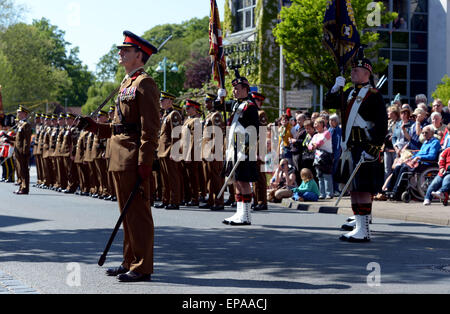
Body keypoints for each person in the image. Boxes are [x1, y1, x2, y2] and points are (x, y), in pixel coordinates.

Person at [79, 30, 160, 282]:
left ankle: (142, 266)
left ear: (139, 55)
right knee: (127, 213)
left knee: (138, 213)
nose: (120, 52)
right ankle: (129, 261)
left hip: (133, 156)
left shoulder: (145, 83)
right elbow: (119, 127)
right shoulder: (126, 83)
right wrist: (94, 127)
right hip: (118, 155)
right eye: (121, 49)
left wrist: (145, 161)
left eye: (125, 49)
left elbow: (150, 128)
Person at [325, 53, 388, 243]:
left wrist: (373, 149)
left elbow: (381, 124)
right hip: (350, 147)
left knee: (363, 189)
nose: (353, 72)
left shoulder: (374, 96)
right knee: (354, 188)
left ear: (367, 73)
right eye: (352, 69)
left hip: (364, 147)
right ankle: (359, 227)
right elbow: (328, 104)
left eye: (356, 70)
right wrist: (335, 88)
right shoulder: (349, 93)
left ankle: (364, 230)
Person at [222, 76, 260, 226]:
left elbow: (254, 130)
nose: (234, 91)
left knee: (243, 182)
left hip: (244, 149)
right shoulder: (236, 104)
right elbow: (219, 106)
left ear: (245, 89)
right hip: (234, 148)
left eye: (237, 88)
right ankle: (239, 212)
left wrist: (246, 148)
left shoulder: (250, 107)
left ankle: (246, 215)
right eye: (233, 88)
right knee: (236, 181)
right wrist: (220, 95)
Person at [385, 125, 441, 200]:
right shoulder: (425, 142)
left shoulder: (435, 142)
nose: (424, 134)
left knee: (404, 169)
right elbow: (419, 153)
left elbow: (432, 156)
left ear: (432, 133)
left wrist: (419, 157)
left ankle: (397, 192)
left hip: (426, 163)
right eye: (423, 133)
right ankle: (389, 189)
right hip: (417, 162)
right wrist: (411, 158)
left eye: (426, 133)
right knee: (398, 167)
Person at [155, 91, 183, 210]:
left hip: (169, 151)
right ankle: (165, 199)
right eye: (161, 100)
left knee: (172, 177)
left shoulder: (174, 114)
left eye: (163, 100)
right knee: (165, 178)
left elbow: (176, 134)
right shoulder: (166, 115)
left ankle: (174, 201)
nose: (161, 102)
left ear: (170, 101)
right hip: (162, 151)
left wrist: (175, 151)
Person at [4, 106, 32, 194]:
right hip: (17, 150)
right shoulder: (20, 124)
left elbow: (26, 140)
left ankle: (25, 188)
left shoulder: (26, 124)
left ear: (24, 114)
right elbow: (17, 138)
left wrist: (24, 151)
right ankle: (21, 187)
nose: (17, 114)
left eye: (19, 112)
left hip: (22, 151)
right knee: (19, 170)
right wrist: (8, 138)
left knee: (24, 170)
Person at [308, 117, 333, 199]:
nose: (314, 126)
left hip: (326, 157)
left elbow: (320, 142)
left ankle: (329, 193)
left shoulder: (327, 133)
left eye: (316, 124)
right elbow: (309, 146)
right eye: (314, 124)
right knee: (319, 176)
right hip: (318, 158)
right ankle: (322, 194)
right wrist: (312, 146)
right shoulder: (315, 135)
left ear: (321, 124)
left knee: (327, 176)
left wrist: (313, 145)